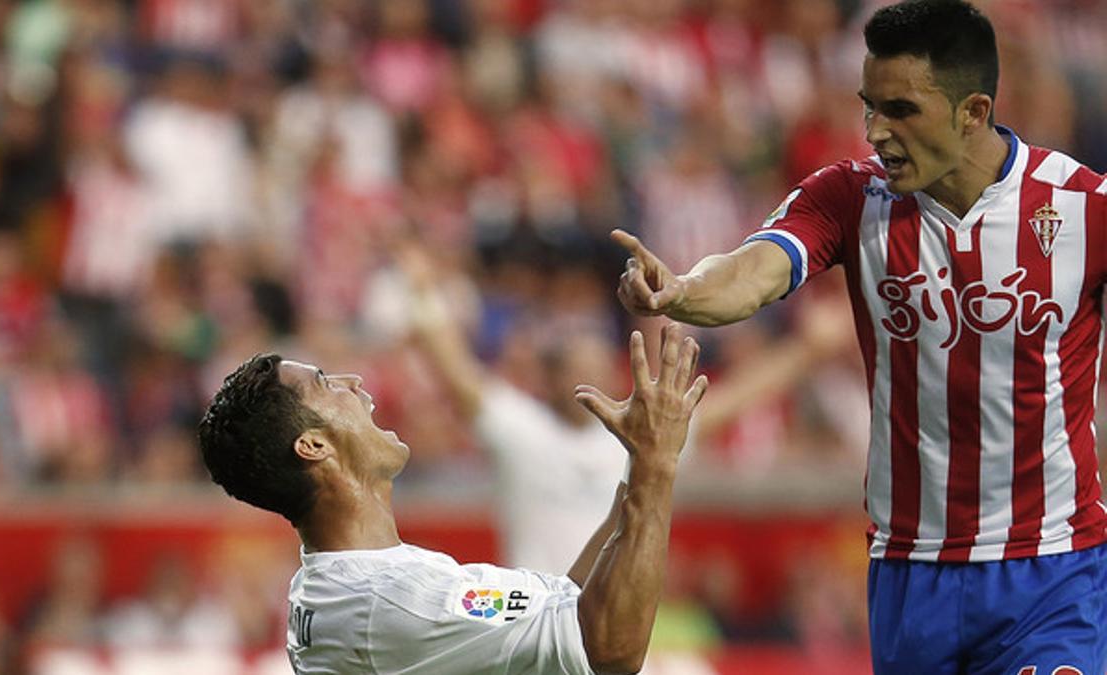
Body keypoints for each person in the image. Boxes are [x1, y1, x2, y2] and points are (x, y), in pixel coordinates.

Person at [612, 1, 1107, 673]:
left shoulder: (1083, 208)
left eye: (901, 110)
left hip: (1052, 569)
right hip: (911, 575)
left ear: (973, 111)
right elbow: (754, 269)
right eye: (869, 106)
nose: (875, 130)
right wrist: (684, 289)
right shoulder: (850, 198)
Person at [198, 324, 708, 674]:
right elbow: (611, 650)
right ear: (312, 445)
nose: (353, 382)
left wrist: (641, 461)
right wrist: (656, 466)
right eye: (326, 384)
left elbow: (571, 602)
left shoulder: (351, 584)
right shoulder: (394, 599)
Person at [401, 243, 629, 575]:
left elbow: (711, 412)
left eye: (597, 370)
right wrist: (423, 292)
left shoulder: (632, 442)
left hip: (612, 617)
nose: (589, 384)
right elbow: (456, 372)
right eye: (578, 372)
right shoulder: (524, 430)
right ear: (551, 378)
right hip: (537, 614)